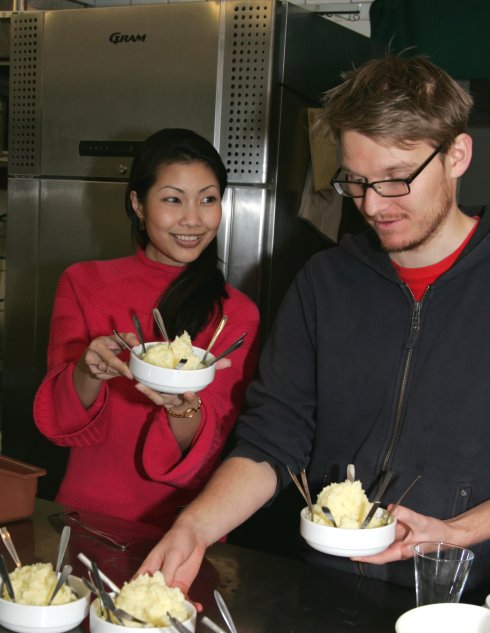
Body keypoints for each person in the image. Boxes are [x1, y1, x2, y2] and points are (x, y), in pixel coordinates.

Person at [137, 55, 490, 593]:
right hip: (326, 588)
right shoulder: (325, 282)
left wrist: (459, 532)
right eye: (356, 181)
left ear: (457, 155)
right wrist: (195, 526)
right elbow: (273, 439)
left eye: (396, 180)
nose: (373, 205)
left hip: (460, 603)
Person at [34, 128, 260, 529]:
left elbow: (210, 448)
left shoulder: (236, 315)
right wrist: (88, 371)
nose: (192, 219)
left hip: (184, 526)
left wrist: (181, 408)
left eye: (208, 199)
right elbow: (60, 422)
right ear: (138, 204)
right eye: (173, 199)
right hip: (85, 516)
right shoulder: (83, 284)